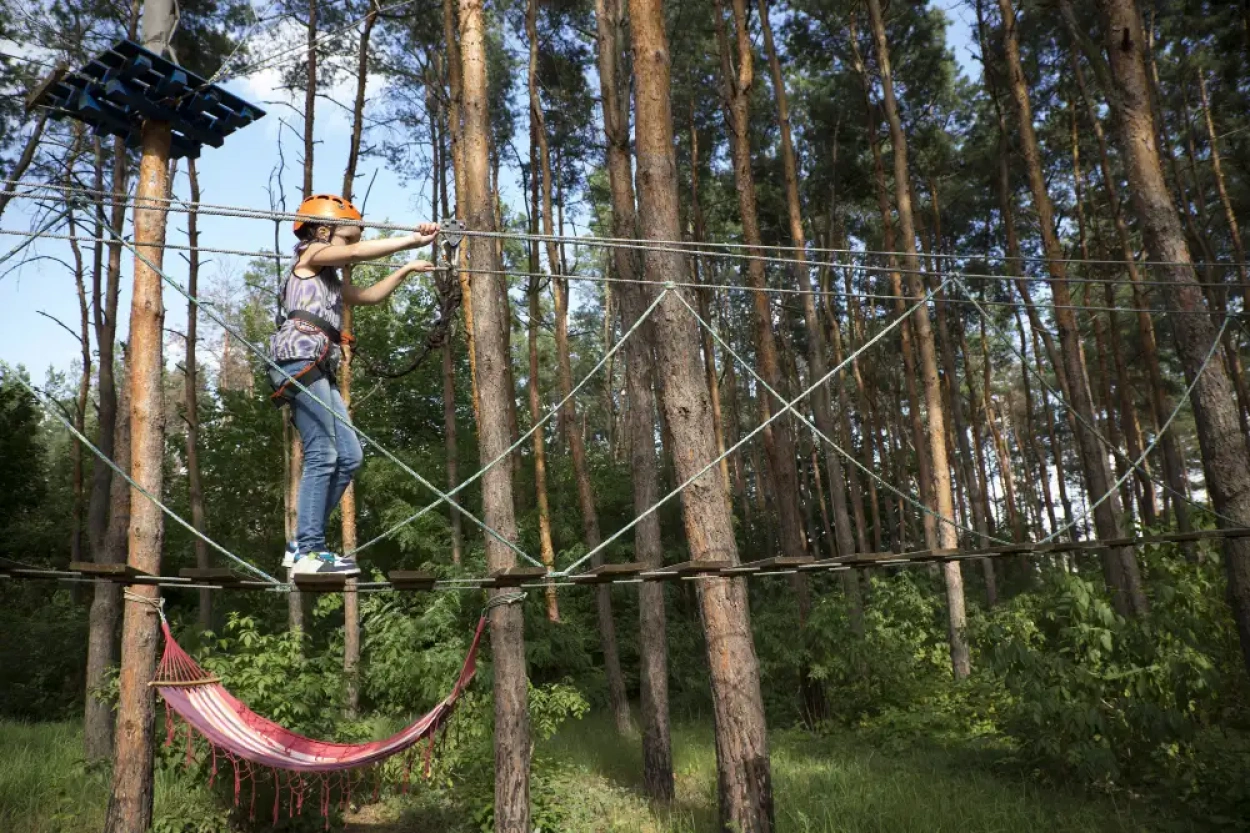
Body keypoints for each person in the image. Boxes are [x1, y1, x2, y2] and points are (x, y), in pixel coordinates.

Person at [269, 193, 439, 577]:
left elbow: (368, 297)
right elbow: (358, 254)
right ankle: (309, 551)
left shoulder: (327, 278)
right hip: (297, 361)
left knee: (349, 456)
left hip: (314, 366)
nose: (358, 227)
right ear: (324, 227)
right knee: (323, 454)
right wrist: (412, 239)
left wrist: (406, 269)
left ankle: (301, 544)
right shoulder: (309, 256)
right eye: (351, 222)